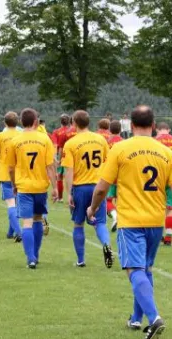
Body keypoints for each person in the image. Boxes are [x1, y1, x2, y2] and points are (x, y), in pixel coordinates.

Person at [86, 105, 172, 339]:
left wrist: (92, 208)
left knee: (134, 270)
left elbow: (102, 187)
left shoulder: (120, 149)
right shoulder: (166, 152)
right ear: (153, 126)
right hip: (156, 220)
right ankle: (136, 318)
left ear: (131, 125)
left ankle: (154, 318)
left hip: (131, 220)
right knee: (145, 269)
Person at [6, 108, 58, 269]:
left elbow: (11, 168)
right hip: (41, 187)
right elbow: (50, 166)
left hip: (24, 187)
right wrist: (55, 187)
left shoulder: (15, 141)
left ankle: (31, 258)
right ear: (36, 122)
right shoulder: (45, 140)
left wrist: (14, 185)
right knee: (37, 220)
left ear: (22, 122)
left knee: (27, 223)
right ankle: (36, 253)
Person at [62, 110, 113, 268]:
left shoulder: (71, 143)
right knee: (100, 222)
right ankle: (106, 244)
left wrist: (69, 192)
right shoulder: (101, 140)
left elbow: (69, 171)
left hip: (81, 187)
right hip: (98, 186)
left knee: (78, 224)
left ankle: (81, 260)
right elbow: (108, 162)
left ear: (74, 123)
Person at [0, 112, 22, 242]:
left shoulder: (0, 136)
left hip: (6, 174)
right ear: (18, 122)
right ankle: (10, 232)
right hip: (20, 174)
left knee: (10, 204)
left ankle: (19, 232)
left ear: (4, 122)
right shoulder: (22, 135)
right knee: (16, 204)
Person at [155, 122, 172, 246]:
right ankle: (169, 237)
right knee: (170, 209)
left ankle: (158, 236)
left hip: (157, 177)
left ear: (157, 129)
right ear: (169, 129)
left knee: (157, 207)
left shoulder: (154, 141)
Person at [106, 120, 124, 232]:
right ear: (121, 130)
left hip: (111, 176)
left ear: (109, 130)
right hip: (123, 176)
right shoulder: (125, 142)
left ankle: (115, 217)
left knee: (107, 201)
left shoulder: (107, 143)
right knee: (121, 201)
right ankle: (122, 221)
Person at [52, 114, 72, 203]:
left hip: (62, 156)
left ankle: (60, 198)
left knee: (59, 176)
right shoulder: (72, 131)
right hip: (72, 156)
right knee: (72, 176)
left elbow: (57, 145)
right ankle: (71, 196)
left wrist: (57, 159)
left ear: (60, 121)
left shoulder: (56, 132)